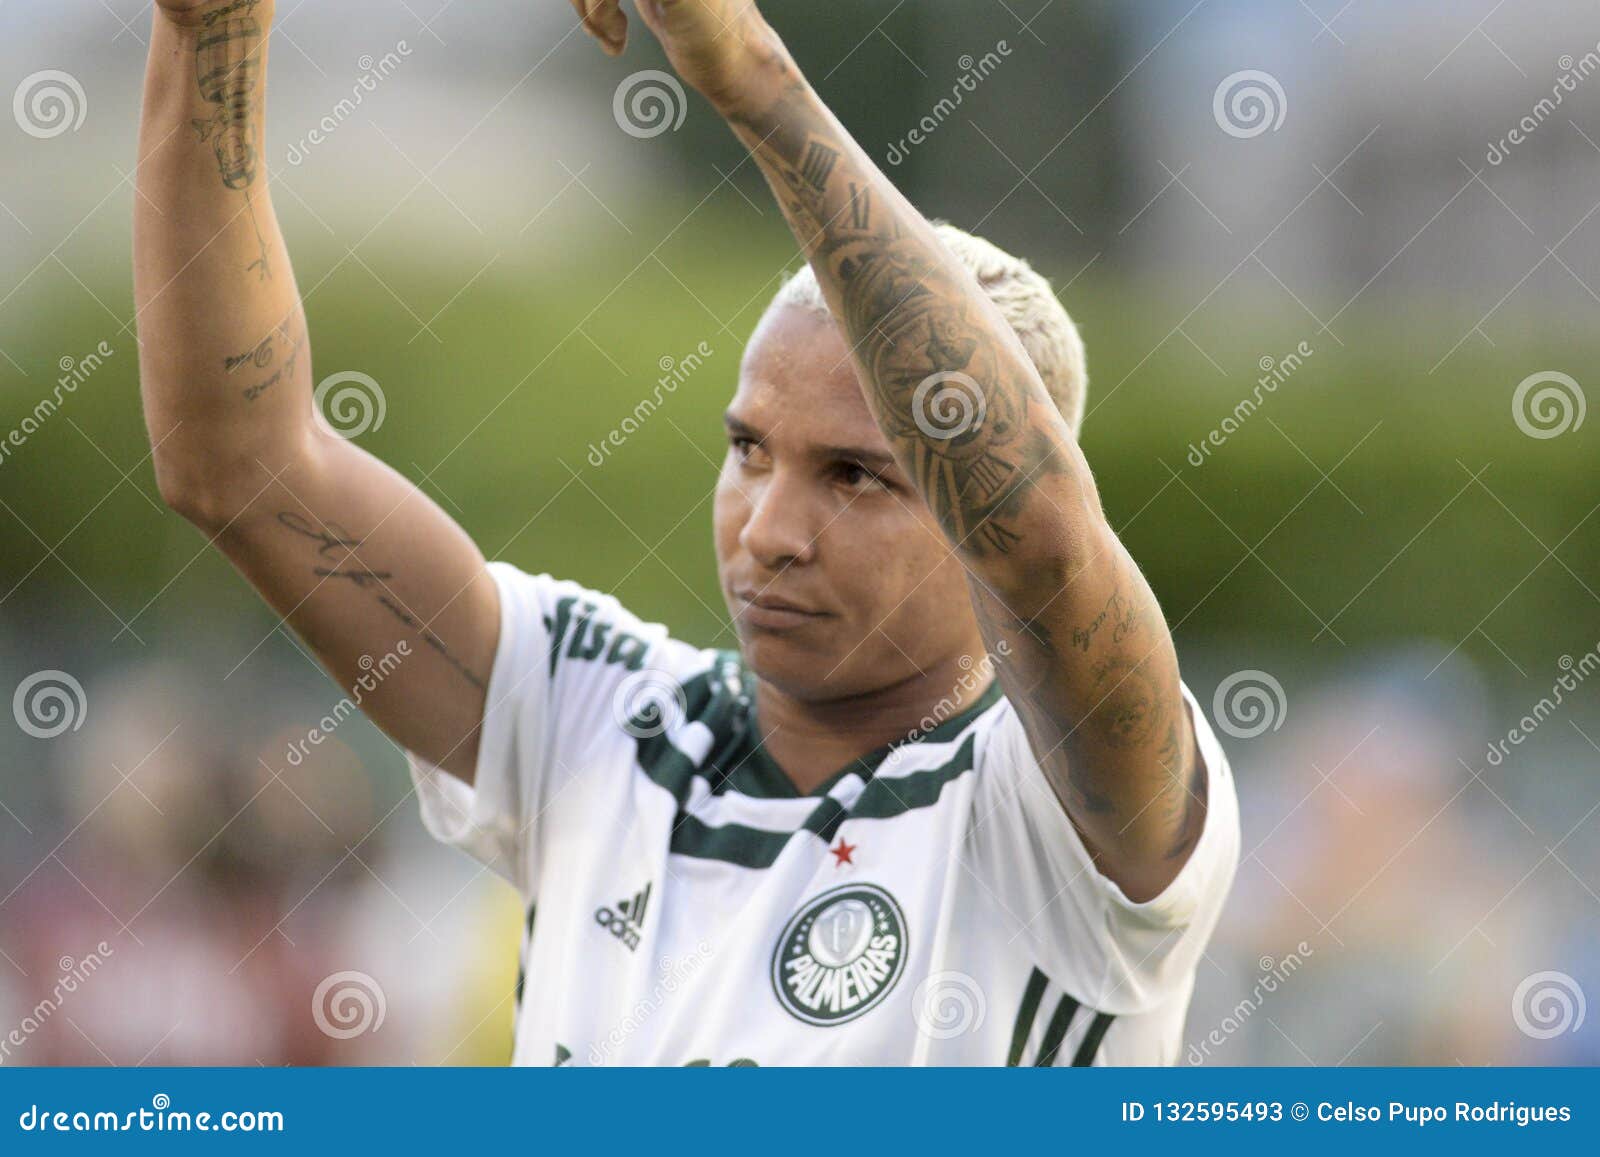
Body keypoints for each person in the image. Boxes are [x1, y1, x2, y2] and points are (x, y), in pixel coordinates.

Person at [135, 0, 1239, 1065]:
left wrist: (749, 75)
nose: (770, 528)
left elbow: (1039, 541)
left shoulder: (1063, 807)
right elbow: (237, 464)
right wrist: (209, 31)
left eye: (857, 476)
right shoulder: (590, 715)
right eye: (750, 448)